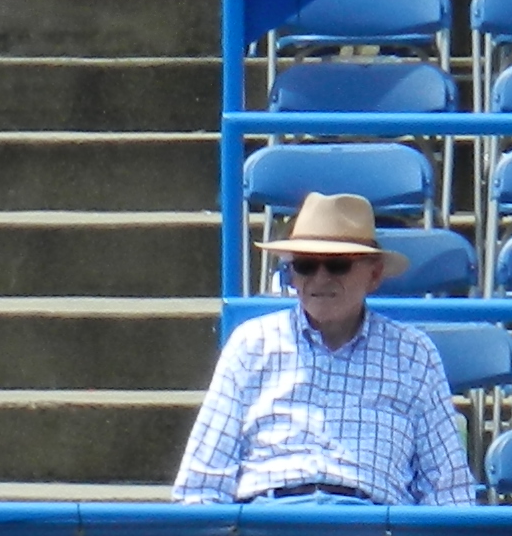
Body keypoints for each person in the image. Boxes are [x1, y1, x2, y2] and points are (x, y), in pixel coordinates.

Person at [171, 192, 473, 509]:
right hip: (267, 527)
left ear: (374, 275)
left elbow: (449, 491)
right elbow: (200, 485)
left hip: (372, 532)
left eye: (338, 265)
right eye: (304, 265)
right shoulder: (251, 344)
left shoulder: (414, 353)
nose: (320, 278)